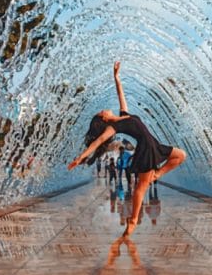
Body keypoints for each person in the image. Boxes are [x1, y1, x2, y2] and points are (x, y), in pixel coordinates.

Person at [68, 61, 186, 236]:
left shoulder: (124, 114)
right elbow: (98, 142)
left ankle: (157, 174)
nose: (104, 110)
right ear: (105, 119)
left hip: (155, 144)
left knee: (180, 155)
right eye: (102, 113)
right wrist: (80, 157)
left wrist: (116, 77)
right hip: (145, 150)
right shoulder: (113, 128)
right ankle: (132, 221)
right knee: (141, 187)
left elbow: (120, 95)